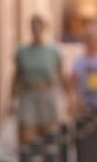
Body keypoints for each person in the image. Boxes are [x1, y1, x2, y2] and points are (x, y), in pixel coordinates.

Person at [9, 14, 73, 145]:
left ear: (44, 28)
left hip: (47, 95)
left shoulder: (53, 51)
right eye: (34, 27)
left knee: (49, 136)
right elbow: (17, 77)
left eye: (39, 26)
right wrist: (11, 101)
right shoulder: (22, 51)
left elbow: (62, 75)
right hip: (28, 94)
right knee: (26, 137)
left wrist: (70, 98)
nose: (36, 30)